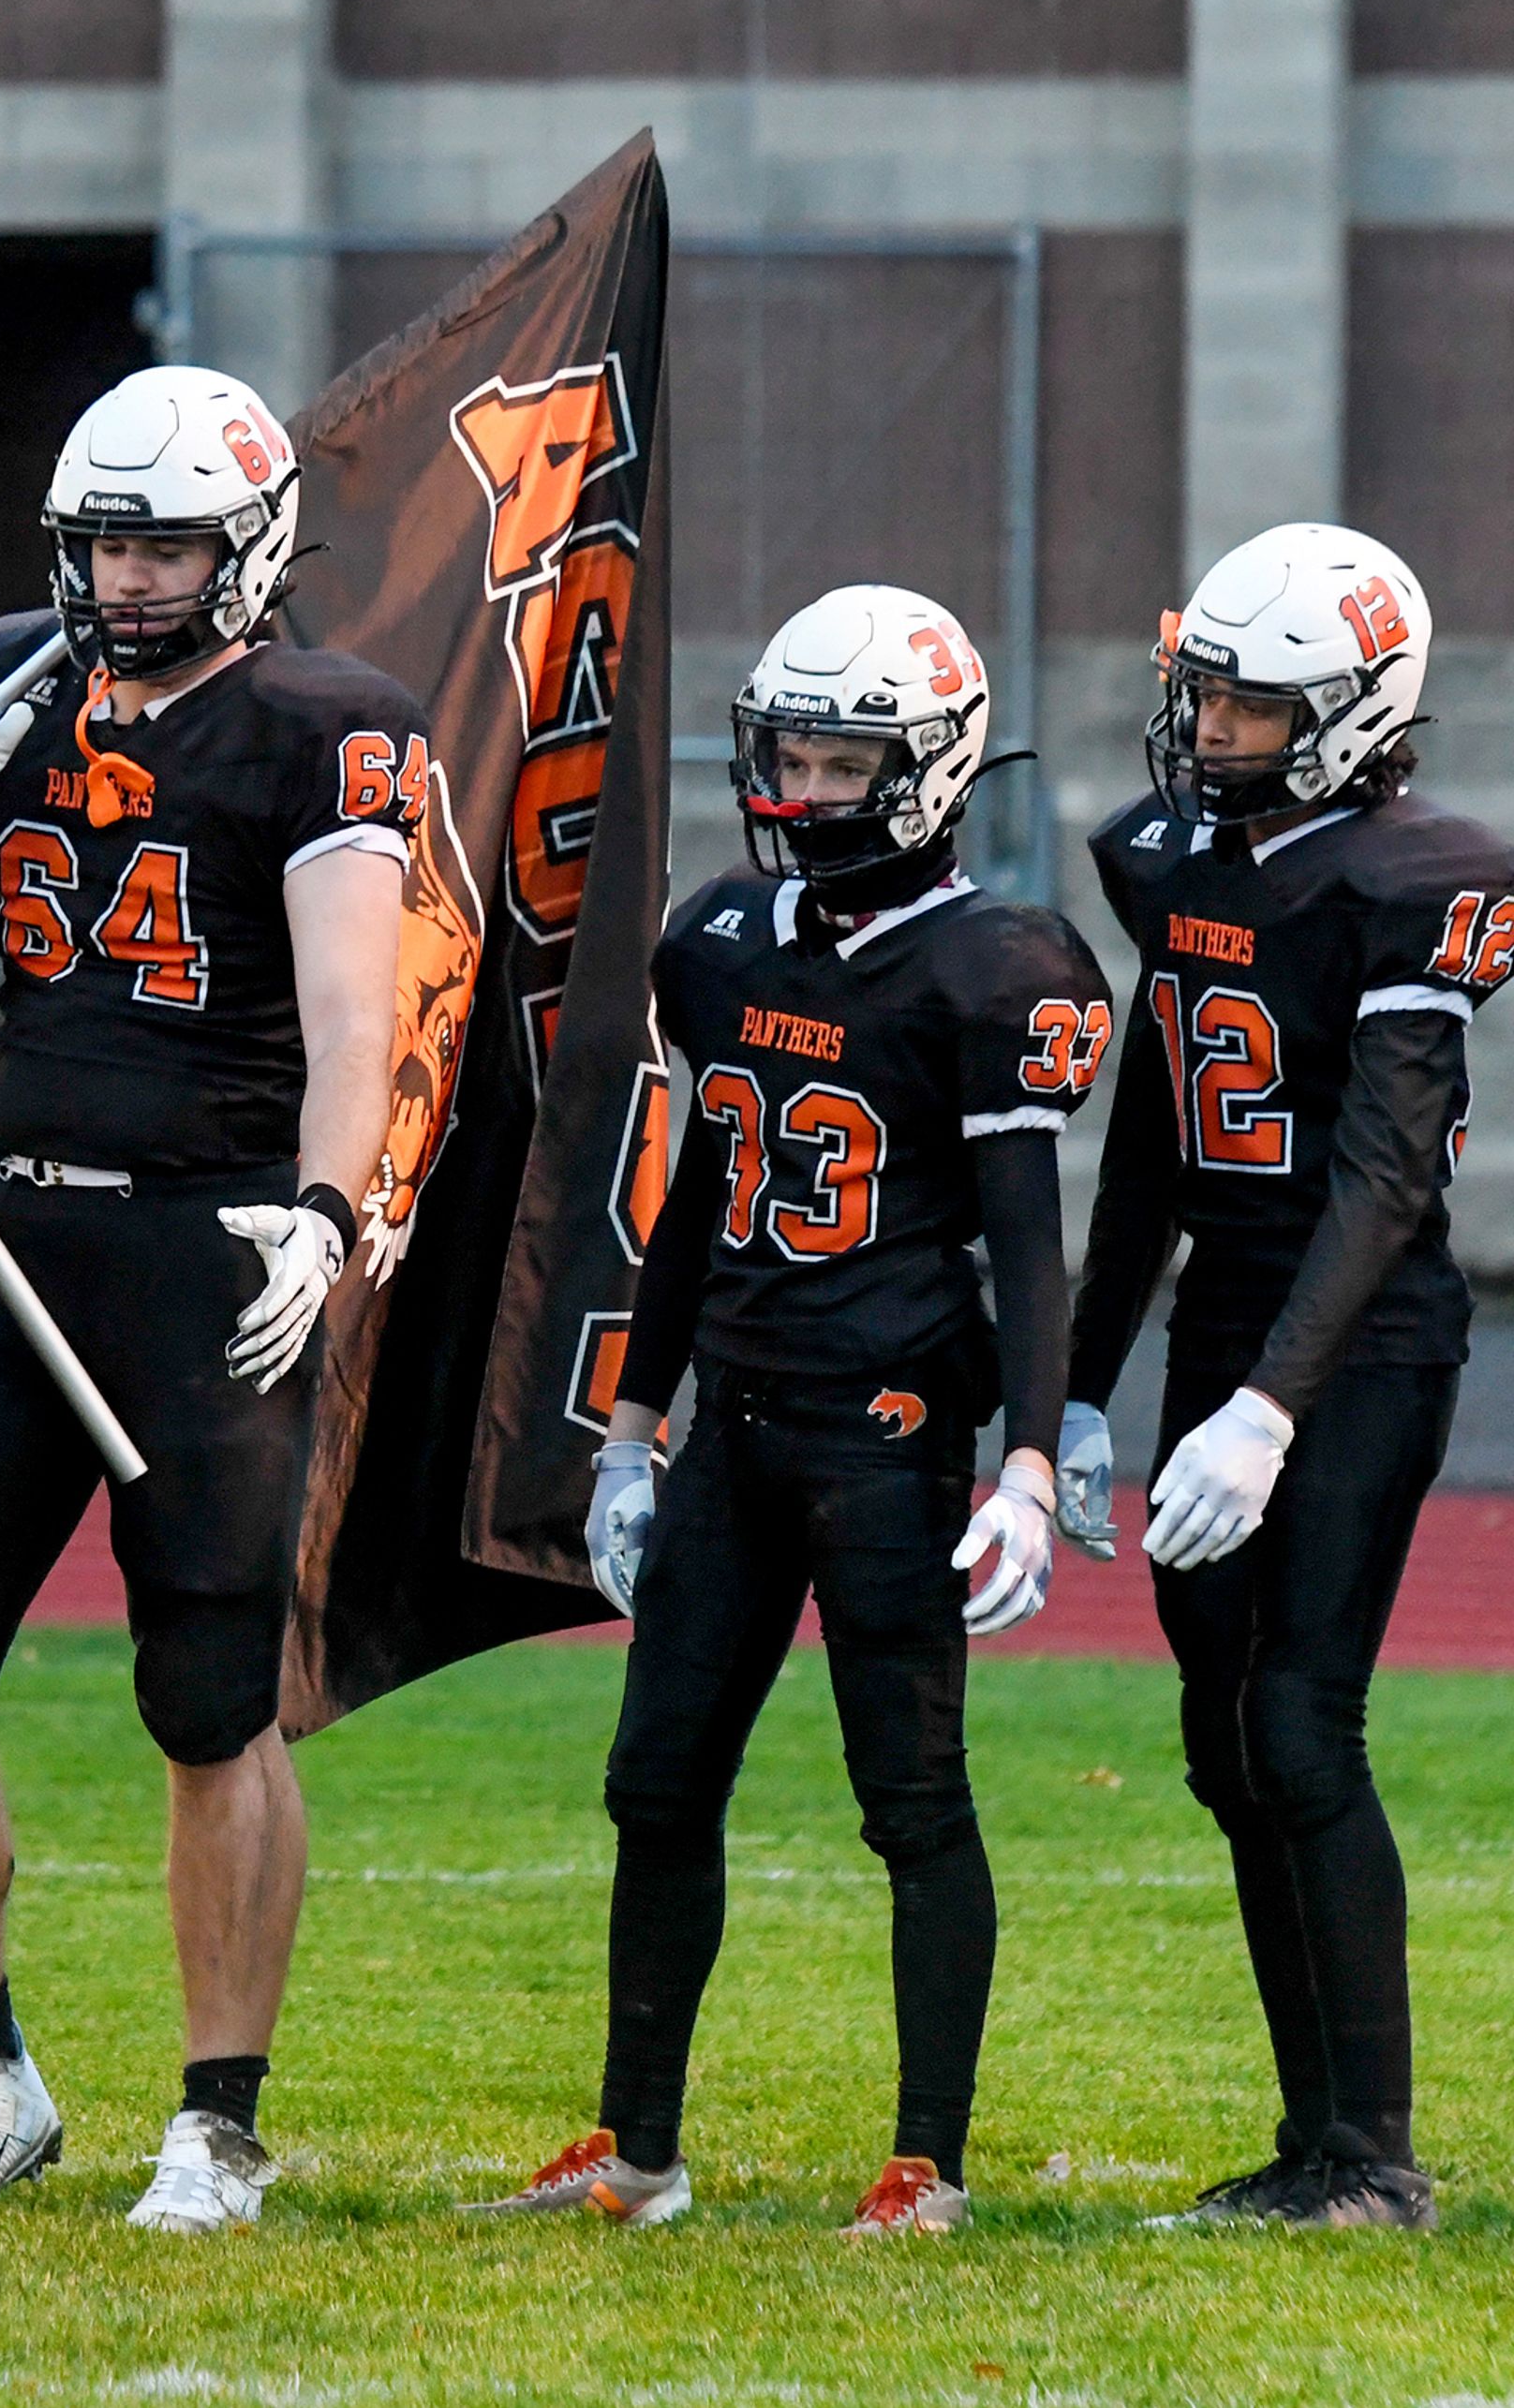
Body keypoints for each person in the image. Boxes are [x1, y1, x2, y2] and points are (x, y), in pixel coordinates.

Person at [0, 363, 417, 2235]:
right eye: (108, 540)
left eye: (169, 542)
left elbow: (357, 1011)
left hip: (212, 1241)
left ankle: (217, 2118)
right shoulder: (5, 667)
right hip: (20, 1236)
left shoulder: (329, 722)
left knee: (208, 1688)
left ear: (249, 546)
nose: (134, 577)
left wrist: (328, 1208)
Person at [467, 585, 1108, 2237]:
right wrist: (628, 1424)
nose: (802, 785)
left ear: (929, 768)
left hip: (889, 1430)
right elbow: (687, 1208)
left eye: (842, 759)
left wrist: (1032, 1456)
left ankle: (927, 2159)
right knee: (656, 1782)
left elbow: (1030, 1243)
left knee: (913, 1796)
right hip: (736, 1425)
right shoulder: (726, 941)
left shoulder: (995, 963)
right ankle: (636, 2147)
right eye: (793, 752)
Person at [1061, 524, 1501, 2232]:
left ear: (1353, 712)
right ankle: (1312, 2142)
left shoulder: (1414, 874)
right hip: (1233, 1315)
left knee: (1304, 1719)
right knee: (1223, 1732)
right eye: (1205, 696)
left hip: (1363, 1336)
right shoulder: (1167, 854)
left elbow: (1389, 1179)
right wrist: (1086, 1388)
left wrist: (1269, 1399)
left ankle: (1375, 2157)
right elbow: (1161, 1144)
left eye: (1247, 707)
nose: (1210, 731)